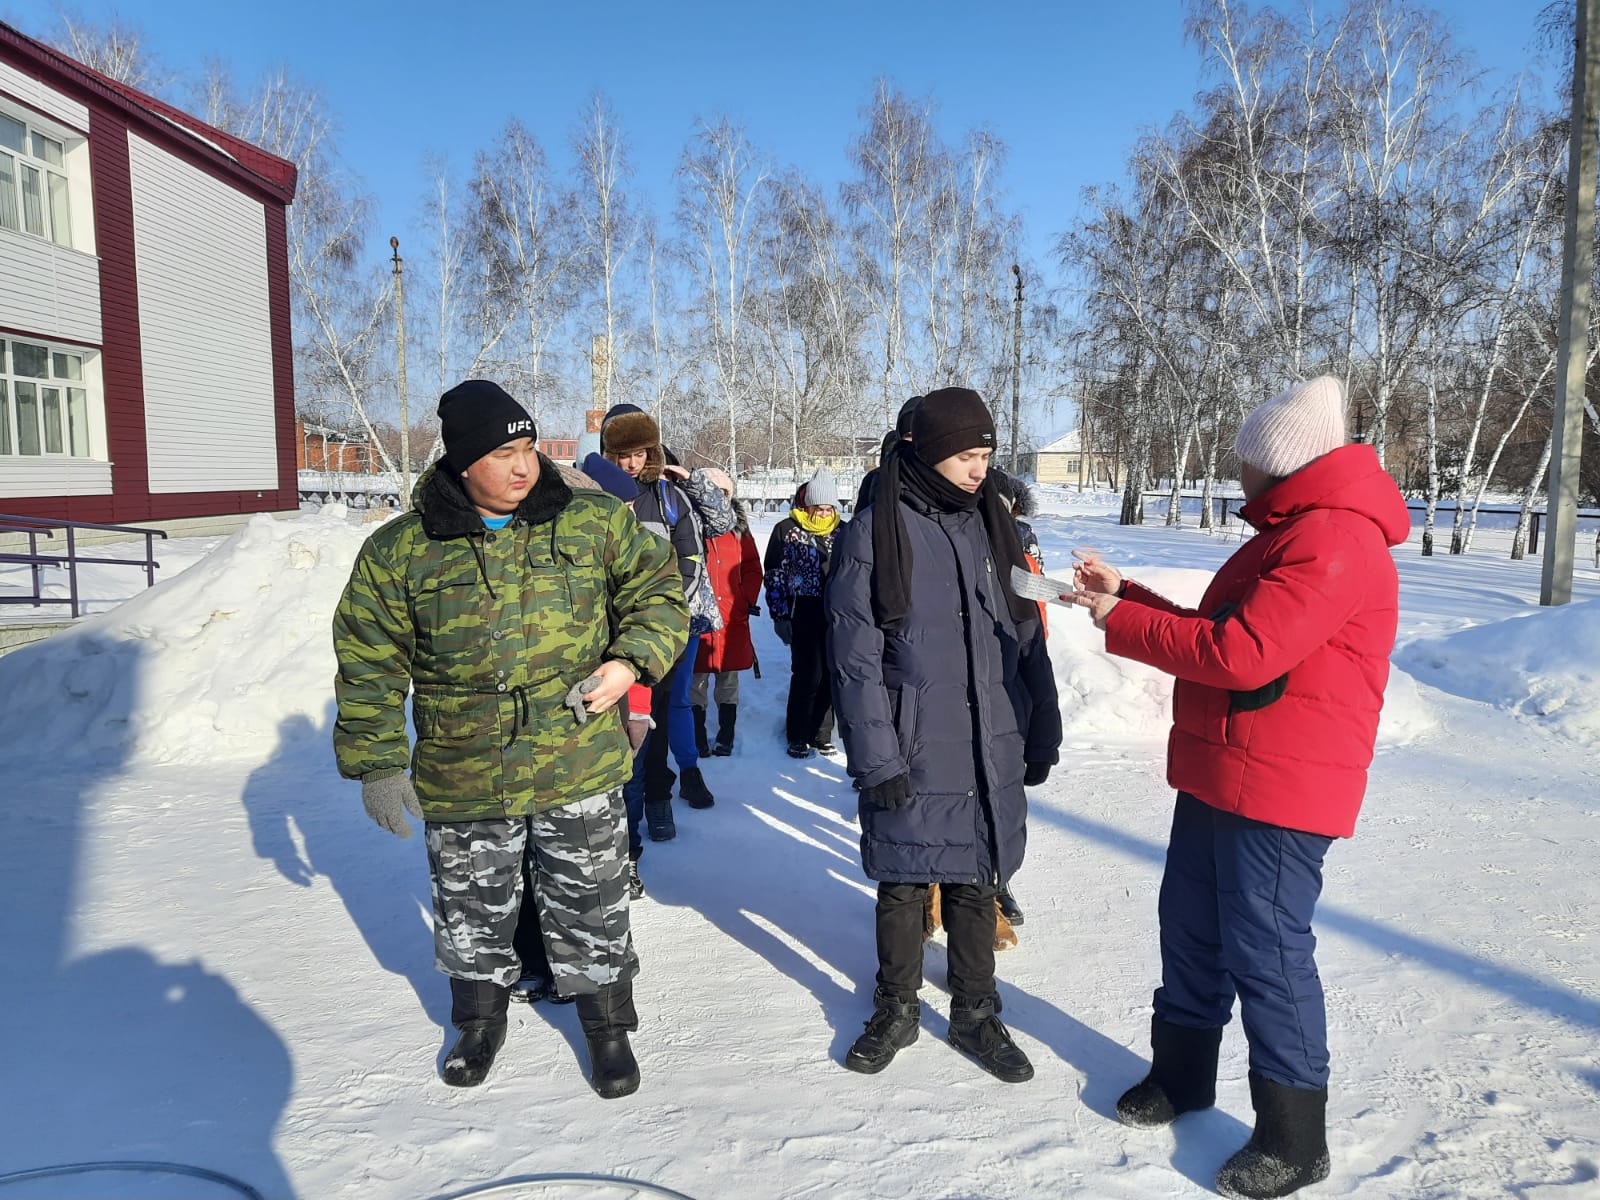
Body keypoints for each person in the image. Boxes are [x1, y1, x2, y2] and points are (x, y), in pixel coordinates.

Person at [1067, 376, 1407, 1199]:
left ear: (1279, 466)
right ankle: (1183, 1077)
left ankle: (1296, 1138)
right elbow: (1222, 631)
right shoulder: (1291, 533)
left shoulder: (1334, 540)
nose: (1240, 475)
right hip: (1225, 769)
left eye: (1247, 462)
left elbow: (1242, 654)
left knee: (1268, 951)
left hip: (1285, 790)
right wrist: (1128, 599)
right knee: (1191, 927)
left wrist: (1122, 622)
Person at [332, 379, 688, 1097]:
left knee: (592, 901)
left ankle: (608, 1028)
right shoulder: (402, 550)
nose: (524, 466)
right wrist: (376, 761)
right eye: (504, 453)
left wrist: (629, 661)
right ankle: (478, 1023)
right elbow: (368, 659)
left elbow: (659, 592)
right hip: (465, 769)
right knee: (472, 908)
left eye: (528, 448)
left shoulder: (588, 521)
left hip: (577, 755)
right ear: (464, 462)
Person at [826, 387, 1061, 1082]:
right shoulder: (874, 533)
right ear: (929, 454)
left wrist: (1040, 721)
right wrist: (877, 757)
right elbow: (853, 657)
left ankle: (976, 1014)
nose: (979, 469)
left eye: (987, 455)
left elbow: (1027, 635)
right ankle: (895, 1008)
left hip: (988, 739)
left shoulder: (999, 527)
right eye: (966, 455)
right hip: (914, 741)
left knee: (974, 881)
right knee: (903, 883)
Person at [601, 406, 729, 828]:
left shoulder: (669, 497)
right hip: (611, 632)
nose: (631, 463)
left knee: (656, 716)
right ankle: (620, 817)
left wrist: (670, 613)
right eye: (623, 454)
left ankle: (658, 795)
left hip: (667, 628)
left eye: (639, 453)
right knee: (616, 723)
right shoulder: (598, 498)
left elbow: (693, 553)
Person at [765, 468, 842, 759]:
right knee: (807, 675)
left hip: (836, 612)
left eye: (828, 508)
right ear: (807, 506)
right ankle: (797, 734)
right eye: (818, 508)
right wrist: (779, 614)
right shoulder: (787, 530)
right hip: (802, 609)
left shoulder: (843, 531)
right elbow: (773, 574)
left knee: (830, 676)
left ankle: (822, 734)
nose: (823, 514)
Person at [690, 468, 763, 757]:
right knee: (696, 679)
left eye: (722, 493)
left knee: (728, 679)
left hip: (731, 615)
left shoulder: (739, 530)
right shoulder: (691, 526)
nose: (717, 499)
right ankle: (696, 736)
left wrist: (744, 598)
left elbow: (752, 568)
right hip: (699, 615)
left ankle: (726, 733)